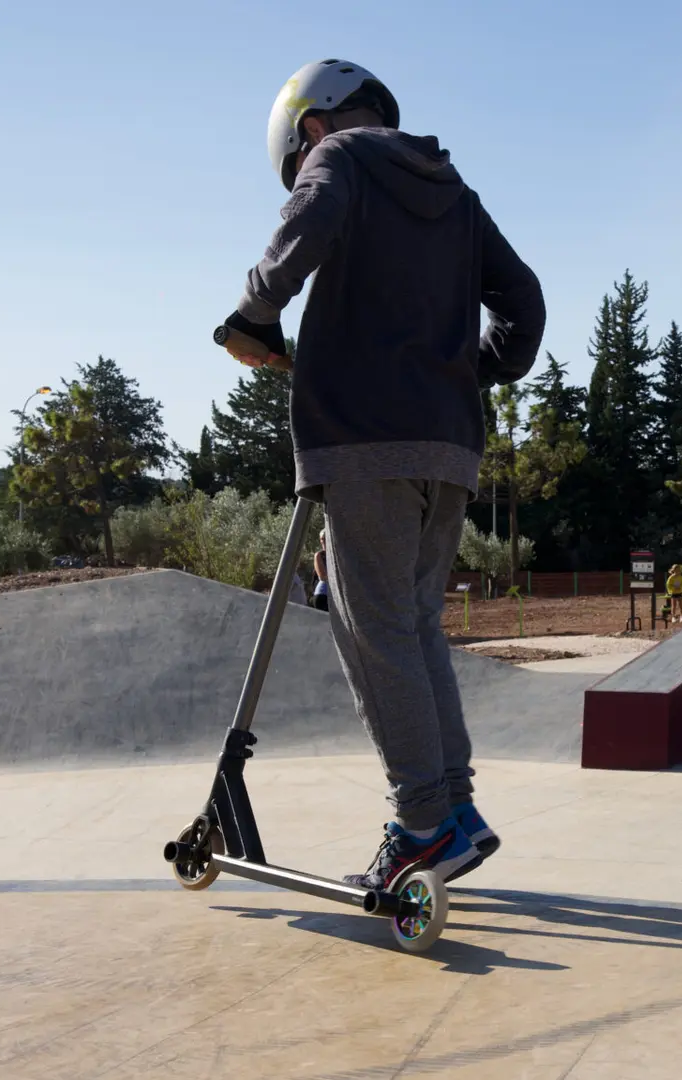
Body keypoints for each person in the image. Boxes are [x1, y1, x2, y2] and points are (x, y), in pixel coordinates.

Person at [218, 59, 544, 891]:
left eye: (297, 161)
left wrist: (253, 318)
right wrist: (460, 369)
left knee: (376, 629)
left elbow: (307, 226)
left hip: (366, 440)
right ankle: (456, 810)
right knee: (416, 623)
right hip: (449, 446)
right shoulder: (455, 193)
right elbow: (525, 304)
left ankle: (423, 824)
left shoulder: (343, 158)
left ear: (312, 128)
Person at [310, 543, 331, 612]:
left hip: (329, 595)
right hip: (323, 595)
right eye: (322, 540)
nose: (324, 543)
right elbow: (323, 577)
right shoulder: (319, 555)